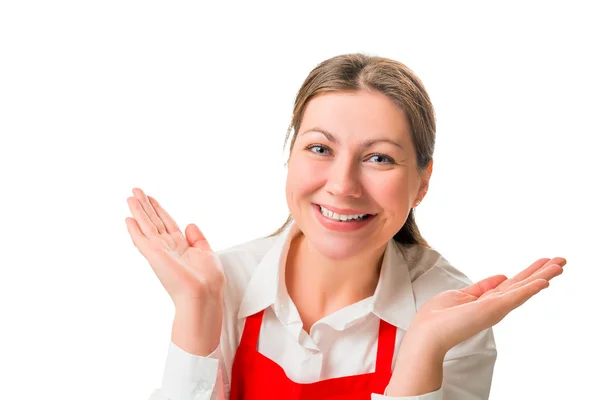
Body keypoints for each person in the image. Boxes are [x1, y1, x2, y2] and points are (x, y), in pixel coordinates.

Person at [125, 53, 566, 400]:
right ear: (290, 155)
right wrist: (197, 307)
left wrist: (422, 352)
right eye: (320, 148)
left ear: (422, 182)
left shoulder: (449, 314)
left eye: (379, 158)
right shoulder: (224, 282)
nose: (342, 185)